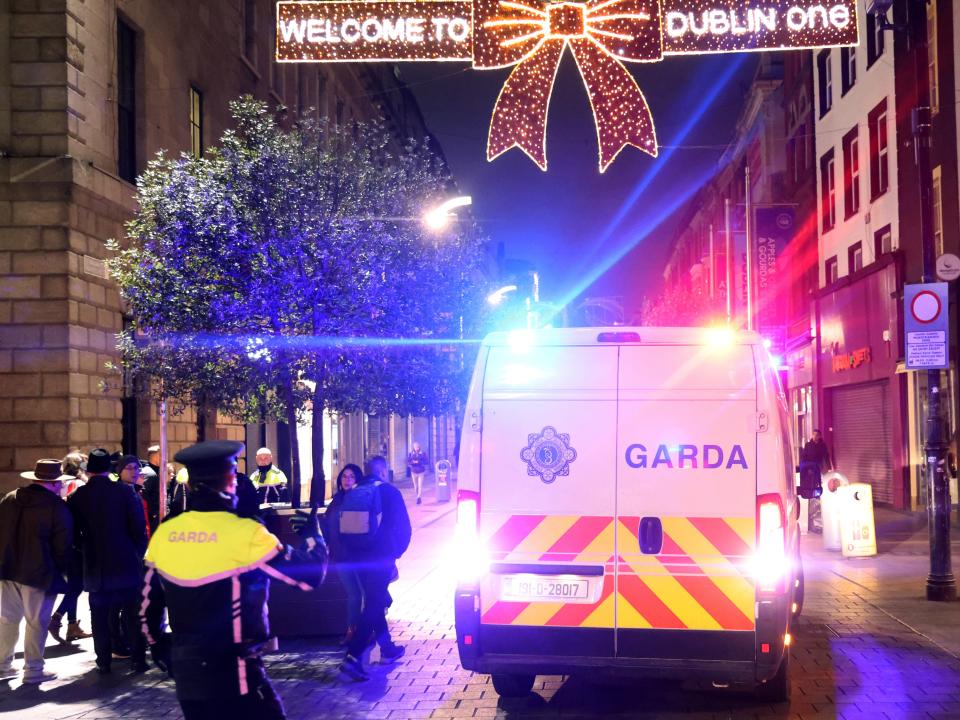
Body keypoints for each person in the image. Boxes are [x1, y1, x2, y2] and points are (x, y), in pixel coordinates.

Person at [139, 440, 328, 720]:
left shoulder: (166, 532)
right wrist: (313, 535)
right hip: (235, 672)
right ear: (230, 480)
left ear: (190, 484)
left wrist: (157, 646)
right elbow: (310, 576)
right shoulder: (246, 532)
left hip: (188, 673)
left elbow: (147, 606)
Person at [68, 448, 148, 674]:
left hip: (96, 566)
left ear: (89, 470)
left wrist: (84, 550)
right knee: (133, 614)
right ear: (108, 469)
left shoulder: (78, 497)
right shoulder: (124, 492)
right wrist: (136, 553)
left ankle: (103, 660)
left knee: (100, 615)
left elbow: (73, 534)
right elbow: (138, 527)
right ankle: (138, 660)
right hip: (125, 563)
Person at [0, 459, 74, 684]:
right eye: (59, 483)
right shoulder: (55, 506)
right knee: (37, 621)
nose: (61, 486)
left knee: (7, 619)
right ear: (52, 483)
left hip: (8, 568)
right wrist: (61, 571)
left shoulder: (10, 498)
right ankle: (33, 670)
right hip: (39, 573)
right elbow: (63, 544)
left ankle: (3, 666)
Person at [340, 455, 412, 681]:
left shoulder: (355, 490)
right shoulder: (389, 492)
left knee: (375, 600)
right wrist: (395, 553)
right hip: (380, 558)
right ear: (383, 471)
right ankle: (352, 657)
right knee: (375, 603)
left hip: (356, 558)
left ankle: (388, 649)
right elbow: (404, 528)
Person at [48, 454, 92, 644]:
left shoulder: (60, 484)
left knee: (75, 583)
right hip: (77, 540)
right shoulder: (79, 486)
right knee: (78, 584)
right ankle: (57, 617)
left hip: (63, 539)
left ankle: (72, 625)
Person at [322, 464, 365, 646]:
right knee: (353, 593)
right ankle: (353, 630)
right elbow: (327, 525)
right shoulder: (336, 500)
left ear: (357, 480)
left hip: (358, 556)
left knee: (361, 593)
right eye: (344, 477)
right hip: (340, 555)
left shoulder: (359, 499)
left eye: (351, 477)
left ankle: (358, 631)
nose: (347, 480)